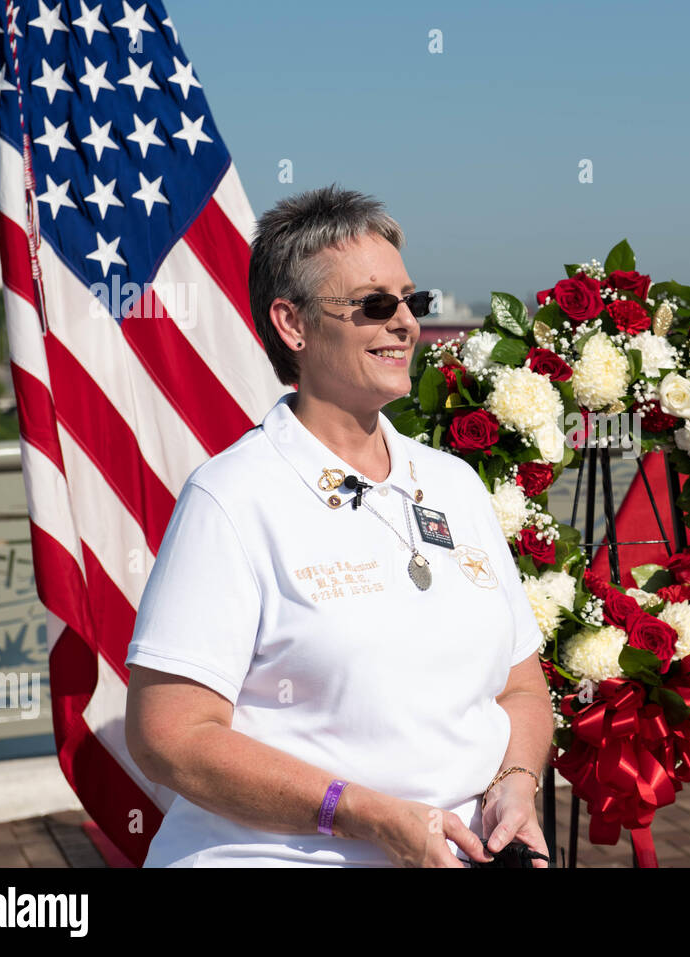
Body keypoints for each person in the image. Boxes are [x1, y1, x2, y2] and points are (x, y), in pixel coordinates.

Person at [124, 185, 553, 867]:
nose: (406, 322)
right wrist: (366, 815)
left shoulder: (455, 484)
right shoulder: (231, 497)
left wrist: (516, 782)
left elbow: (521, 687)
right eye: (374, 304)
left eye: (414, 301)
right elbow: (167, 735)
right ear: (292, 325)